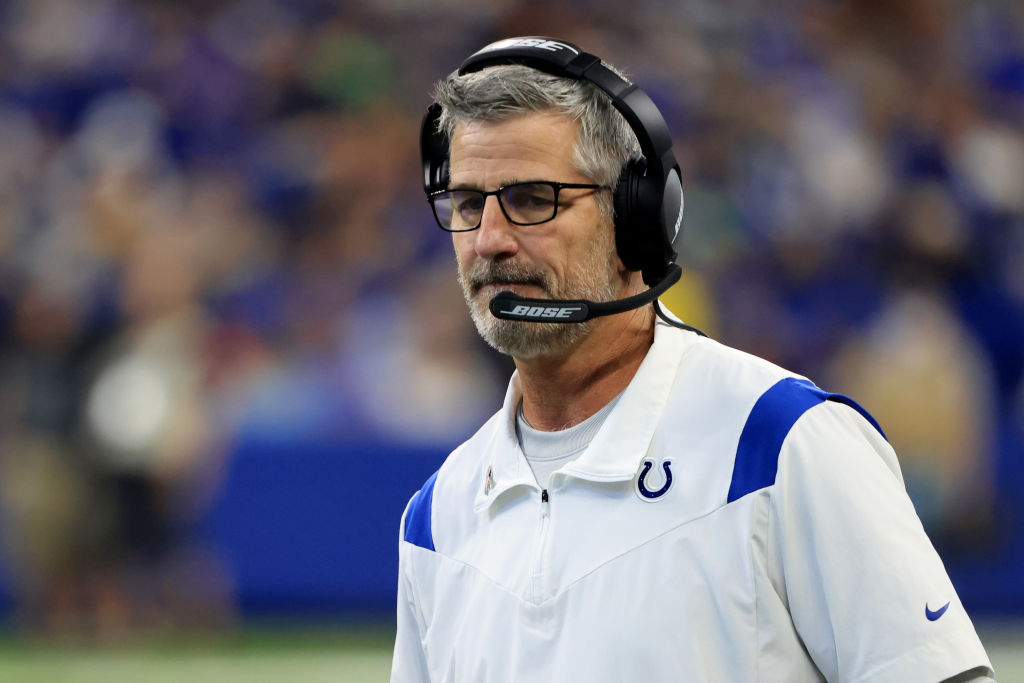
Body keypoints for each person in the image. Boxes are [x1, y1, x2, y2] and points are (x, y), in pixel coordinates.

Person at [391, 36, 995, 682]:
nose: (488, 239)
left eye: (532, 200)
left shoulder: (780, 444)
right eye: (467, 203)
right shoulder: (438, 515)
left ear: (637, 219)